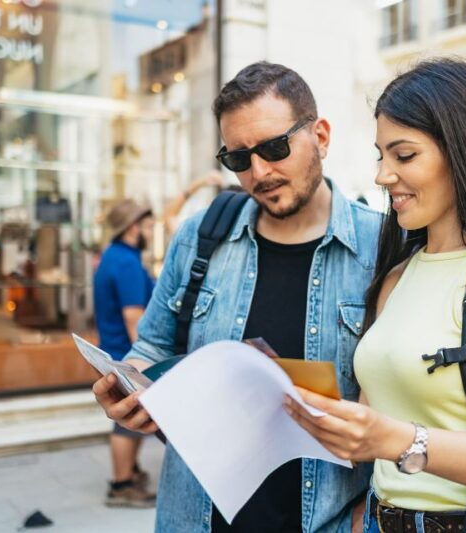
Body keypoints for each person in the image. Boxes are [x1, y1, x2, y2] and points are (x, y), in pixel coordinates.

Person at [284, 58, 466, 531]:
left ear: (462, 151)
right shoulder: (396, 275)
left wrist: (397, 440)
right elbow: (379, 421)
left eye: (404, 156)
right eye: (381, 156)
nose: (383, 176)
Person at [92, 61, 381, 532]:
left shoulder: (381, 247)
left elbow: (413, 403)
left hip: (325, 519)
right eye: (239, 159)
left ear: (321, 137)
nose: (259, 172)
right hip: (196, 517)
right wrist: (128, 389)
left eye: (274, 148)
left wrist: (367, 514)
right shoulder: (199, 236)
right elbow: (152, 345)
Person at [93, 199, 156, 507]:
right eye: (148, 226)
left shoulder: (114, 255)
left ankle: (130, 472)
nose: (151, 232)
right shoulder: (126, 262)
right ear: (133, 228)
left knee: (131, 420)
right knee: (127, 421)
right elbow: (134, 317)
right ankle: (121, 485)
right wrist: (145, 362)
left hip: (114, 350)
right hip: (125, 353)